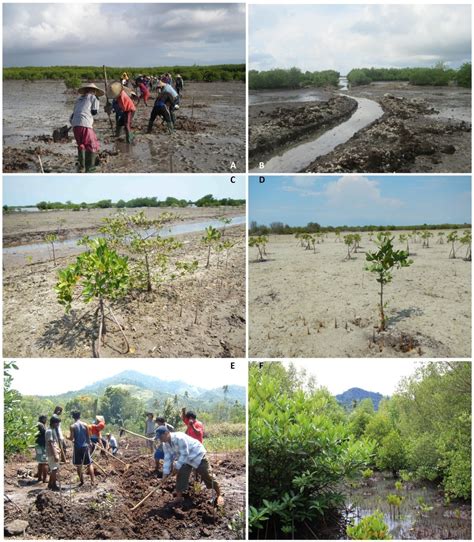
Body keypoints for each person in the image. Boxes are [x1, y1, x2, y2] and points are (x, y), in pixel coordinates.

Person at [156, 426, 223, 506]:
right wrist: (164, 475)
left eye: (161, 437)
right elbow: (167, 458)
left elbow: (185, 453)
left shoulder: (179, 438)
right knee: (181, 474)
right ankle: (179, 497)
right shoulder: (165, 444)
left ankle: (219, 494)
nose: (160, 440)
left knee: (206, 474)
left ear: (166, 433)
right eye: (159, 438)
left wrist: (177, 467)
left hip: (197, 455)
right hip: (185, 459)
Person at [70, 83, 103, 173]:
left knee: (81, 144)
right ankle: (90, 167)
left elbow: (75, 113)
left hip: (75, 124)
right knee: (91, 144)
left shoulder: (79, 99)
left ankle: (82, 166)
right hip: (85, 123)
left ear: (85, 90)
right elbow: (94, 111)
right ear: (94, 91)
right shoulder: (93, 97)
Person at [68, 411, 95, 487]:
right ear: (80, 416)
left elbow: (71, 438)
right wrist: (89, 443)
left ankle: (82, 481)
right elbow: (88, 436)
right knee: (89, 464)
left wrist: (67, 437)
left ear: (73, 417)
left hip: (77, 447)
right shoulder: (85, 425)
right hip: (85, 447)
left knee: (79, 465)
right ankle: (93, 481)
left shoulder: (72, 426)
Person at [45, 416, 62, 490]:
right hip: (51, 453)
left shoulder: (53, 430)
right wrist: (55, 455)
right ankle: (54, 485)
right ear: (54, 423)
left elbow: (54, 442)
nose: (58, 425)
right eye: (57, 423)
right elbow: (51, 444)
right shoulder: (49, 431)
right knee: (54, 469)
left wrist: (58, 449)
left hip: (55, 451)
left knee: (55, 469)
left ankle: (50, 485)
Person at [35, 415, 48, 483]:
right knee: (45, 462)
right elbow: (46, 433)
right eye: (46, 419)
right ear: (43, 419)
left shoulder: (37, 424)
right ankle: (44, 479)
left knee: (40, 462)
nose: (46, 420)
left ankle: (39, 478)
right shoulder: (41, 425)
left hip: (38, 445)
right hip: (42, 445)